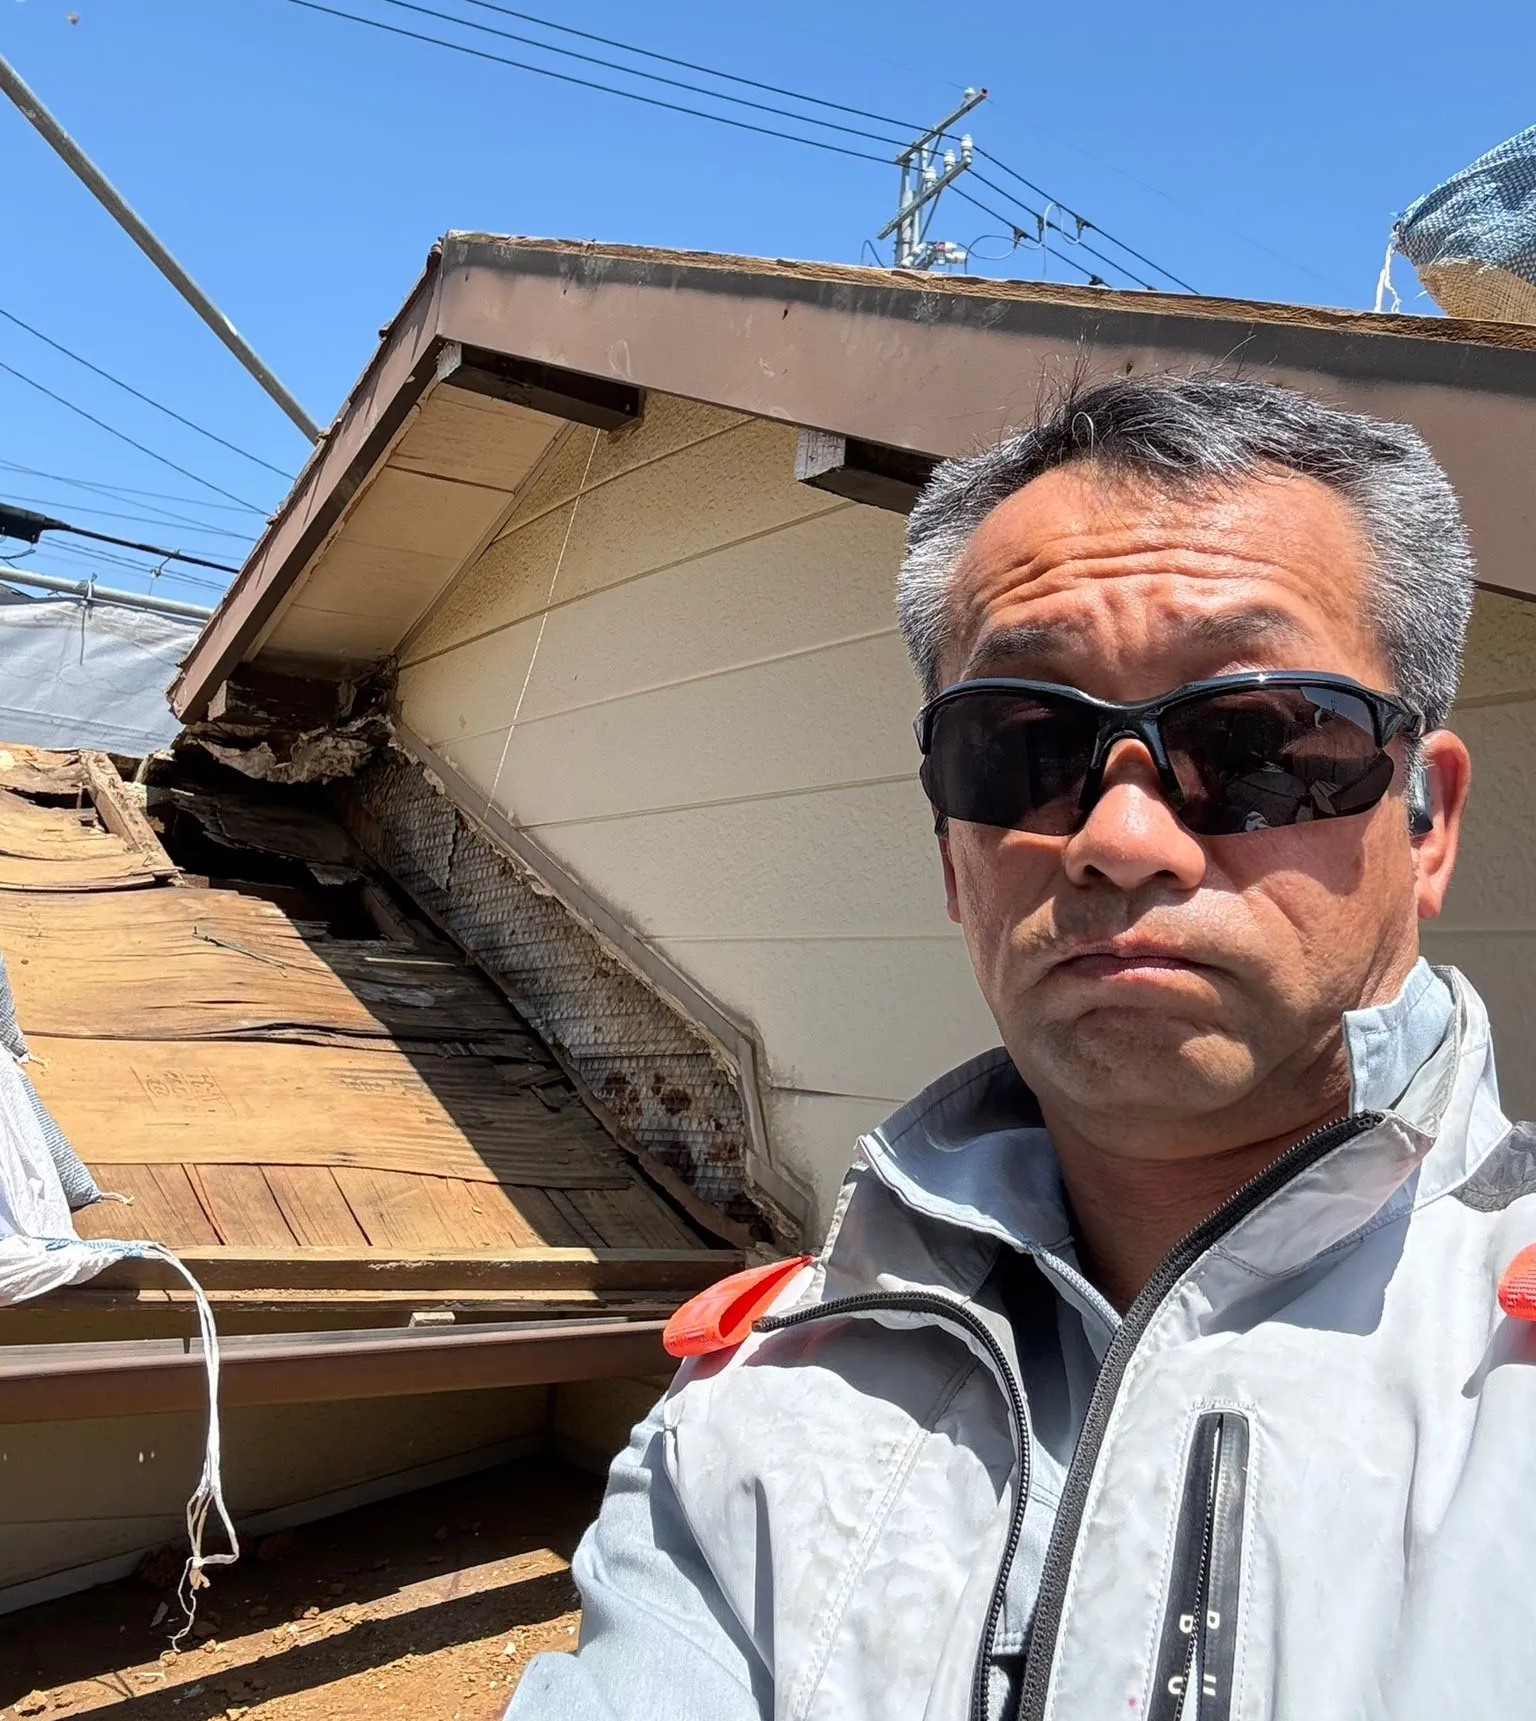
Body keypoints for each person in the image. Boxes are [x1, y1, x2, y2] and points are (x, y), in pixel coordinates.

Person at [509, 375, 1536, 1721]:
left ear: (1427, 825)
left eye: (1258, 741)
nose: (1117, 838)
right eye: (1021, 745)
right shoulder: (750, 1423)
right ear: (953, 854)